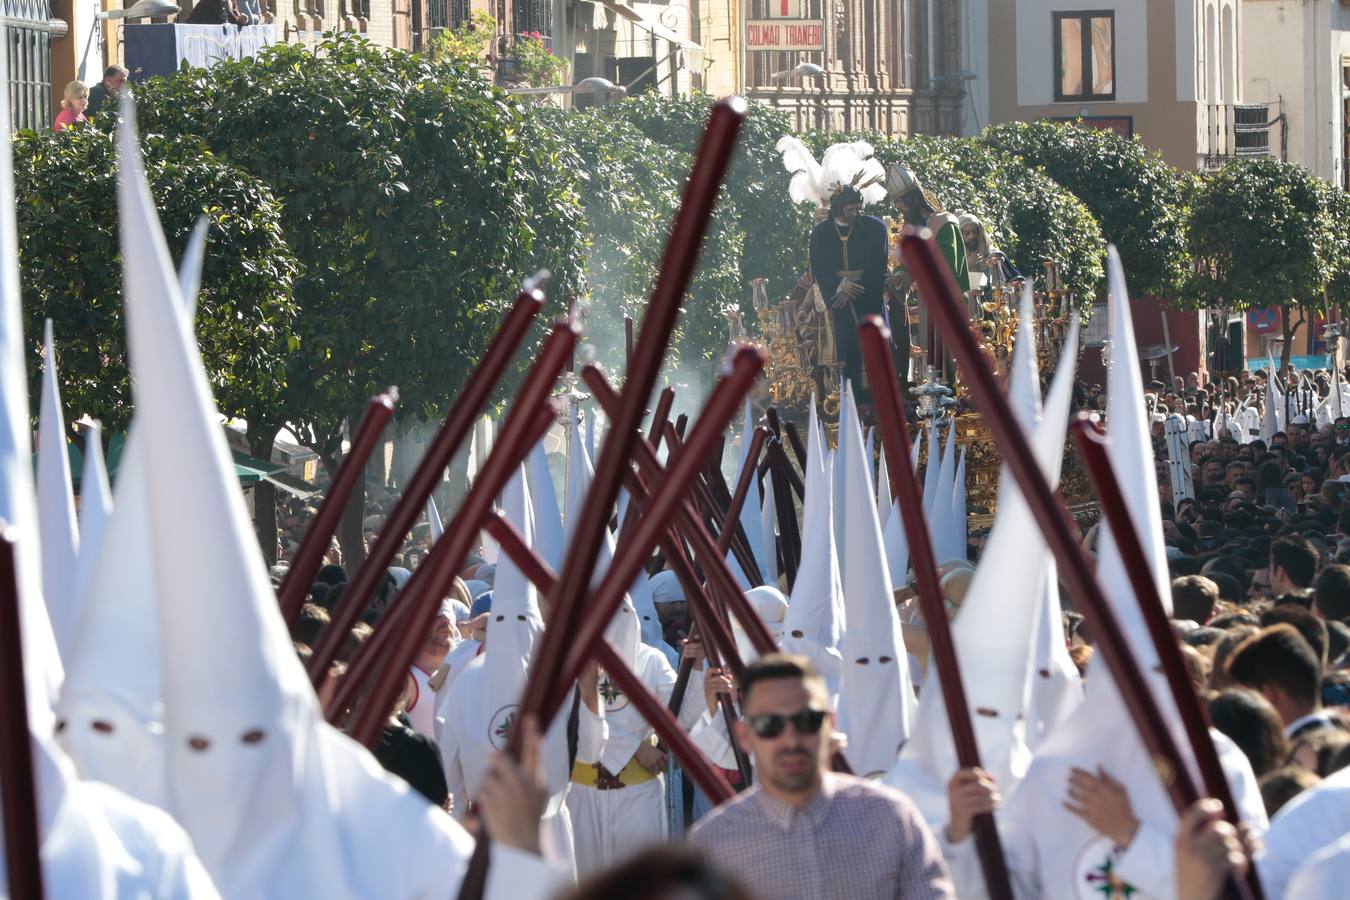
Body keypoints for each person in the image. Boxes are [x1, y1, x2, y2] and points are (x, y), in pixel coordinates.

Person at [688, 654, 954, 899]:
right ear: (745, 736)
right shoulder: (713, 845)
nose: (791, 740)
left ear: (831, 724)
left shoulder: (891, 819)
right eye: (771, 725)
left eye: (806, 721)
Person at [807, 184, 890, 393]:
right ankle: (852, 400)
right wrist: (840, 288)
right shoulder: (820, 233)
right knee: (848, 348)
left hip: (867, 295)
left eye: (857, 208)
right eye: (849, 209)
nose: (856, 213)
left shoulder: (875, 228)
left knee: (874, 348)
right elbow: (818, 267)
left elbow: (877, 264)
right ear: (837, 209)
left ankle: (877, 399)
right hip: (839, 298)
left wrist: (856, 286)